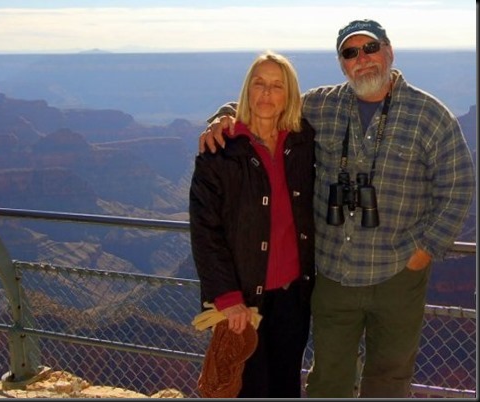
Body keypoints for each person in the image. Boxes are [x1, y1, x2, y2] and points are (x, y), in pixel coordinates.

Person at [198, 19, 475, 398]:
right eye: (350, 52)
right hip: (333, 274)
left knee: (390, 376)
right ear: (342, 63)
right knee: (329, 376)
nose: (362, 59)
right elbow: (268, 103)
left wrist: (425, 250)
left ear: (389, 52)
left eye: (370, 48)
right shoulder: (321, 104)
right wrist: (223, 116)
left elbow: (458, 186)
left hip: (398, 273)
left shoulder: (430, 115)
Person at [189, 51, 316, 398]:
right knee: (249, 388)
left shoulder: (303, 141)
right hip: (243, 301)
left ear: (289, 95)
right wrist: (227, 298)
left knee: (286, 386)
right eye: (259, 84)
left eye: (277, 86)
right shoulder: (220, 150)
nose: (267, 94)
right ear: (247, 89)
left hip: (293, 296)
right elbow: (205, 231)